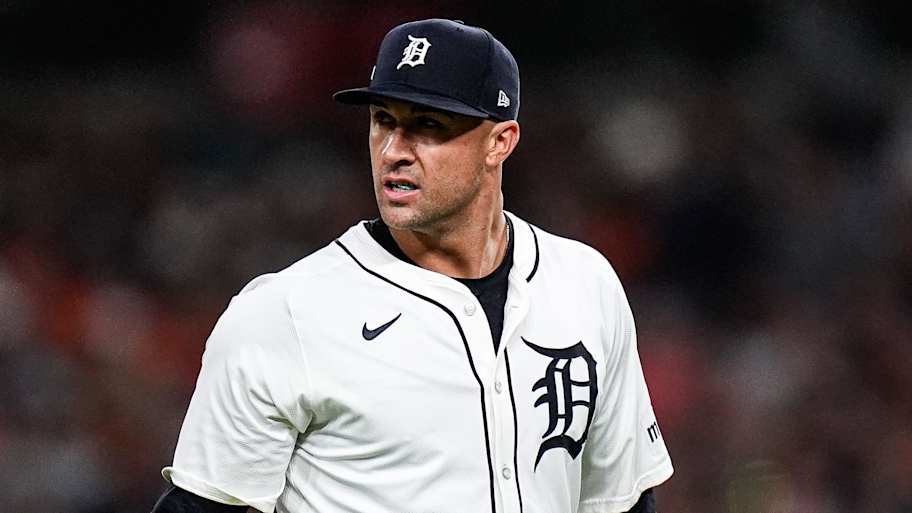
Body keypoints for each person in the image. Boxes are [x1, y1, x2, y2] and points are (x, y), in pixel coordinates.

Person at [151, 18, 673, 513]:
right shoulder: (283, 313)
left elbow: (621, 499)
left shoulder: (586, 284)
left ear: (500, 142)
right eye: (383, 121)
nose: (394, 151)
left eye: (427, 124)